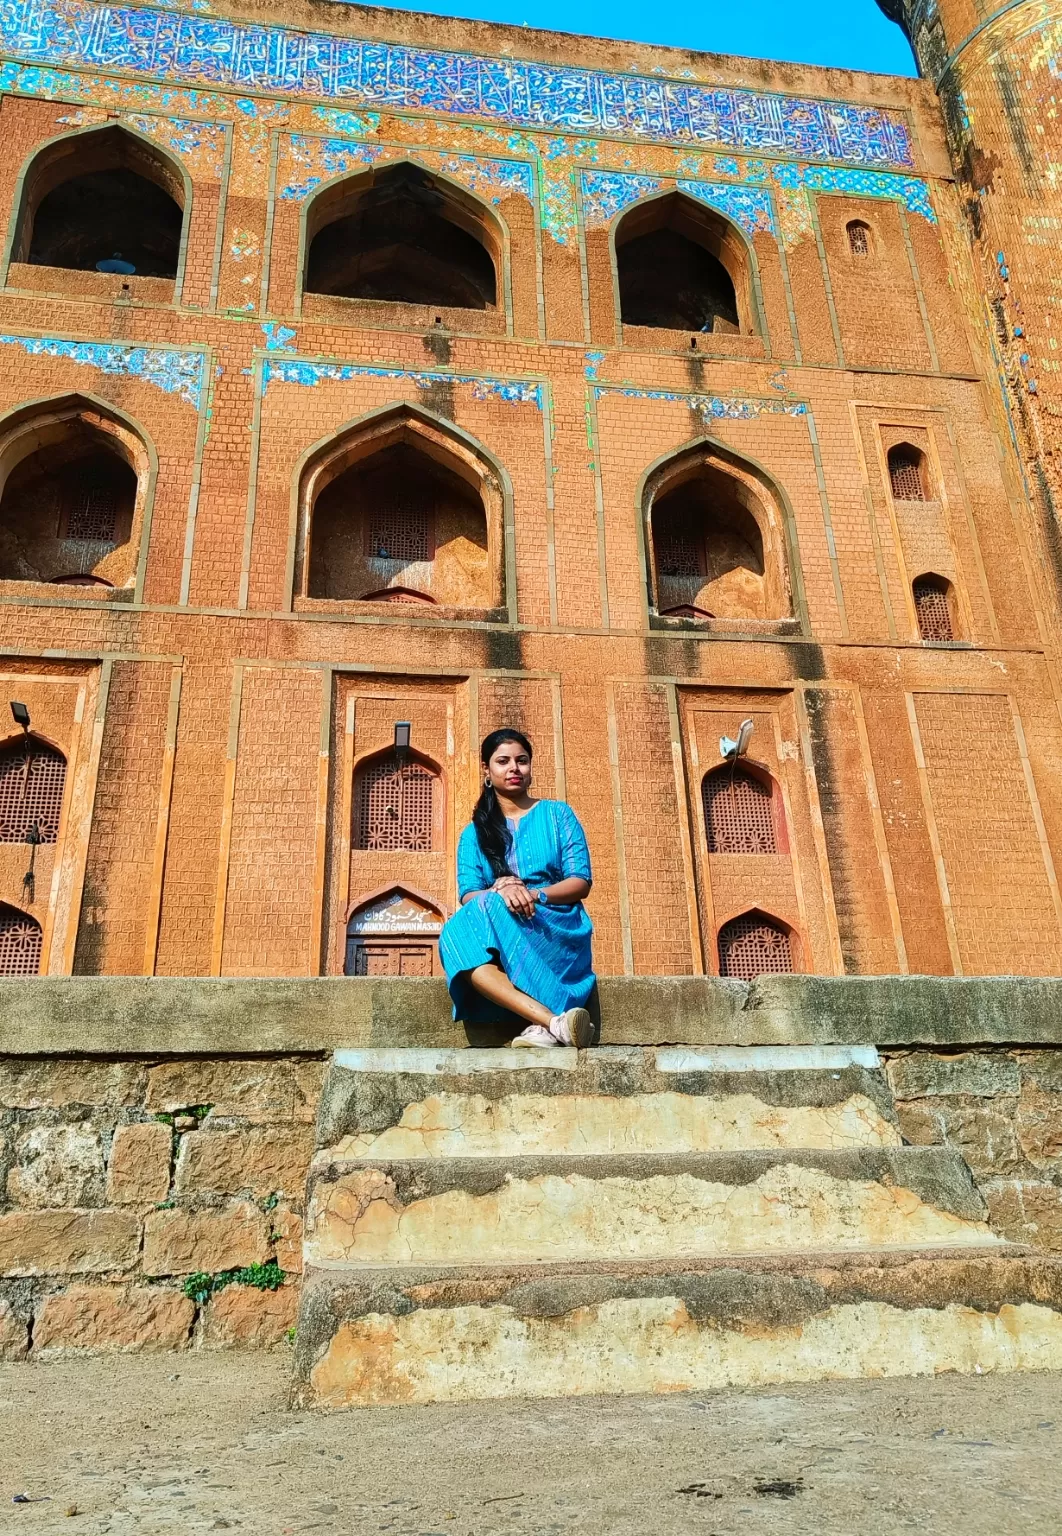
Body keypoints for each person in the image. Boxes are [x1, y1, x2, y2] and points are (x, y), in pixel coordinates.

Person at [438, 728, 596, 1048]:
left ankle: (546, 1023)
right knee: (456, 932)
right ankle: (552, 1022)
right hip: (501, 917)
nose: (514, 768)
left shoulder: (557, 814)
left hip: (556, 922)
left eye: (522, 761)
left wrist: (533, 894)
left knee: (489, 907)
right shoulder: (474, 834)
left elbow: (581, 882)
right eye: (503, 761)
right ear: (487, 769)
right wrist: (502, 890)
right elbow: (469, 893)